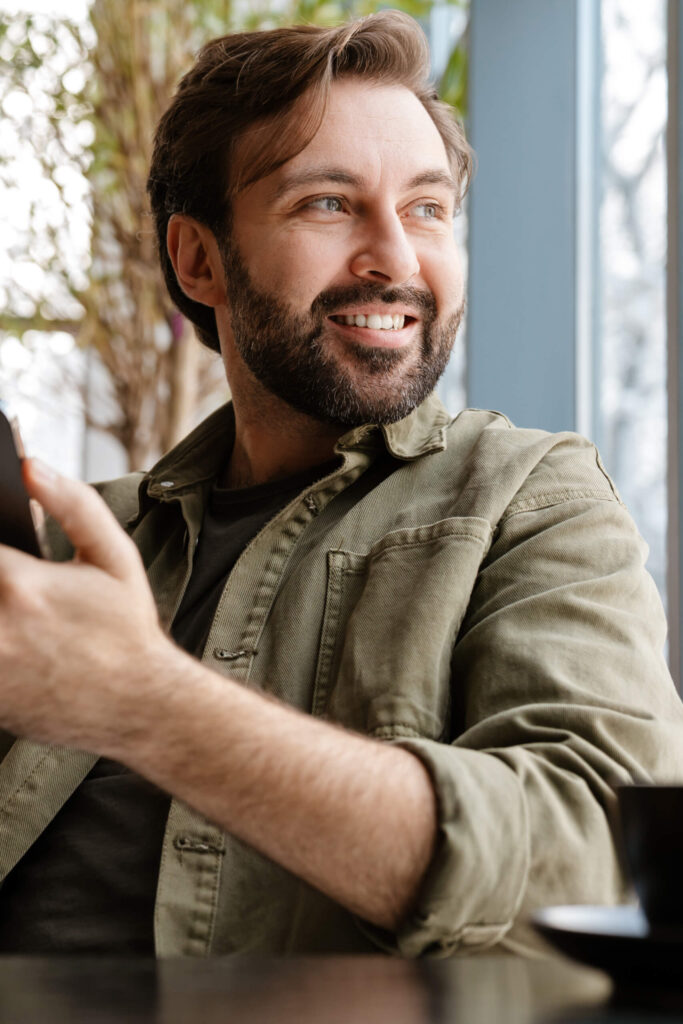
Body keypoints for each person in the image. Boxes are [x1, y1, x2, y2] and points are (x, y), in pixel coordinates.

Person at [0, 10, 681, 959]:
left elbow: (592, 856)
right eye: (328, 203)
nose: (397, 259)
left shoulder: (531, 501)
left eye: (427, 208)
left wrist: (145, 702)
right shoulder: (77, 549)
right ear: (199, 260)